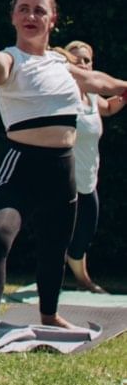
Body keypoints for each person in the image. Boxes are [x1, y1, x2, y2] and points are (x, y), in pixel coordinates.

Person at [0, 0, 127, 356]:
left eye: (39, 11)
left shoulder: (63, 67)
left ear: (52, 19)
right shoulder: (10, 59)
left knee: (54, 247)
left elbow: (100, 83)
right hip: (21, 167)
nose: (31, 16)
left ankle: (49, 315)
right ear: (14, 16)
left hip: (61, 170)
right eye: (24, 9)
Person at [63, 39, 126, 294]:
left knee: (85, 232)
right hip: (63, 181)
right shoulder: (62, 95)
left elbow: (109, 108)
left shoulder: (90, 95)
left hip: (88, 179)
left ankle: (80, 277)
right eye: (77, 59)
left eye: (87, 59)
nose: (83, 63)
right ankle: (81, 281)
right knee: (59, 234)